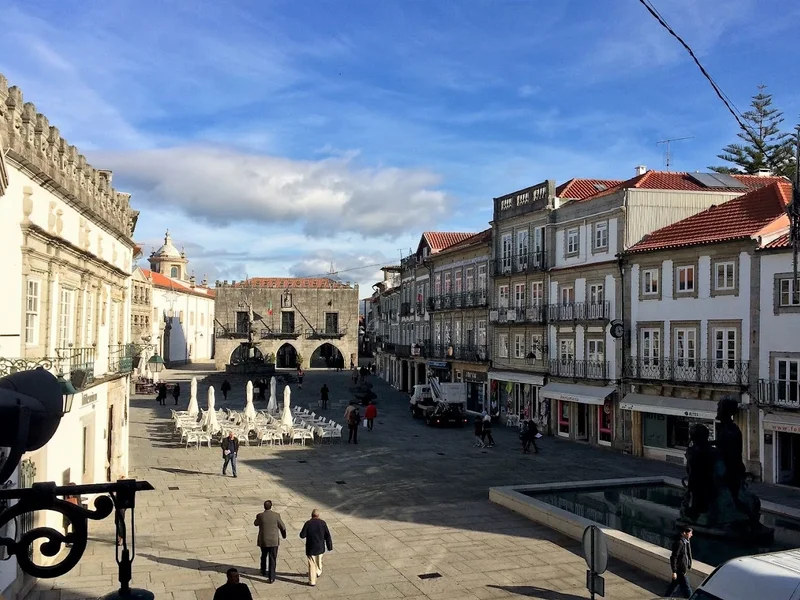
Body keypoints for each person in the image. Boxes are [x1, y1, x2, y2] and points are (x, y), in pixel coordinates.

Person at [254, 500, 287, 582]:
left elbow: (255, 523)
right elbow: (283, 527)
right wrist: (284, 535)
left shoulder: (260, 515)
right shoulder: (276, 515)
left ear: (264, 507)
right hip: (273, 541)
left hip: (264, 540)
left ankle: (263, 570)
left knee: (263, 555)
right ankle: (271, 577)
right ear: (271, 506)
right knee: (272, 558)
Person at [299, 508, 333, 587]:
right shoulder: (323, 523)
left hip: (311, 547)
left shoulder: (308, 523)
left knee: (312, 564)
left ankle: (312, 581)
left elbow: (302, 535)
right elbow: (328, 536)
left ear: (312, 515)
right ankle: (318, 572)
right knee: (319, 560)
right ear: (318, 515)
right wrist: (329, 546)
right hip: (320, 547)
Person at [665, 526, 693, 598]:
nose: (691, 535)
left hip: (681, 570)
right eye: (690, 533)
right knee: (687, 589)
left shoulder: (685, 542)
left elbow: (686, 555)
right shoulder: (680, 543)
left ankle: (665, 598)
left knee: (672, 587)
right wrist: (674, 571)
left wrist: (689, 564)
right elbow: (674, 557)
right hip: (680, 571)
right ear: (684, 533)